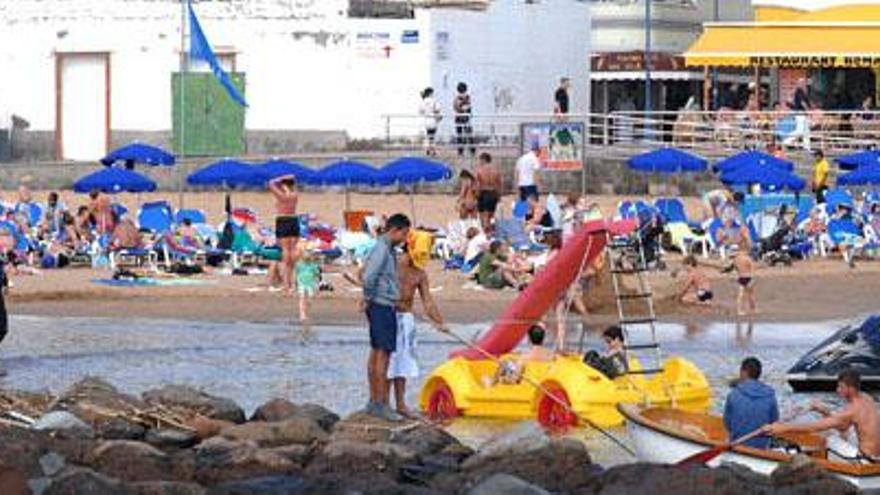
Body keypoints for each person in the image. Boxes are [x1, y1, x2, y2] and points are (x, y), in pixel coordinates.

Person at [387, 231, 446, 418]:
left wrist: (439, 322)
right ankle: (384, 403)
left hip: (406, 319)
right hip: (388, 317)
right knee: (388, 362)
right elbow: (365, 275)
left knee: (403, 363)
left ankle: (401, 404)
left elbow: (428, 301)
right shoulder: (391, 264)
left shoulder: (420, 273)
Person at [764, 369, 880, 462]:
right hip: (876, 457)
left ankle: (830, 468)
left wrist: (784, 428)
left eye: (840, 387)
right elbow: (843, 427)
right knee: (842, 435)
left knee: (829, 439)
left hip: (866, 460)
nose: (837, 390)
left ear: (850, 388)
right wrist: (824, 411)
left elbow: (815, 427)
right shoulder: (866, 398)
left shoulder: (852, 409)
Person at [361, 213, 411, 422]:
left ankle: (375, 401)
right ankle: (380, 403)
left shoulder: (385, 248)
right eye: (405, 233)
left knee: (377, 352)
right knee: (383, 354)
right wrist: (370, 297)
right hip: (381, 305)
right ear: (395, 230)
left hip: (381, 303)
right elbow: (369, 276)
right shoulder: (382, 249)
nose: (405, 238)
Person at [723, 357, 779, 449]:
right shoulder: (770, 395)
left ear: (743, 372)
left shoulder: (733, 394)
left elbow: (727, 423)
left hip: (738, 443)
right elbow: (774, 422)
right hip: (762, 446)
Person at [486, 324, 554, 386]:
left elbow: (514, 379)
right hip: (544, 385)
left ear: (529, 339)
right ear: (543, 339)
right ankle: (492, 381)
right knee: (509, 362)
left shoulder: (525, 358)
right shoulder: (551, 356)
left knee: (505, 363)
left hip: (527, 387)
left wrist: (502, 380)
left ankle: (492, 383)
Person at [268, 175, 299, 295]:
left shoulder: (282, 196)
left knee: (285, 251)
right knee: (293, 251)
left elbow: (270, 182)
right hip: (293, 220)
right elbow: (293, 183)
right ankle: (293, 283)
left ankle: (287, 285)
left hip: (283, 220)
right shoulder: (294, 194)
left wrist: (279, 179)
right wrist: (288, 179)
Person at [475, 152, 502, 232]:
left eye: (480, 160)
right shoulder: (496, 171)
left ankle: (485, 232)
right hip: (493, 193)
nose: (479, 162)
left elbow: (478, 185)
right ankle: (490, 233)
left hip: (483, 193)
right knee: (491, 215)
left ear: (484, 160)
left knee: (482, 216)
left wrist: (477, 195)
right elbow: (499, 184)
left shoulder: (480, 170)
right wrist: (499, 196)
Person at [295, 247, 321, 322]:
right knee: (302, 298)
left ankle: (306, 312)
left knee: (310, 300)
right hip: (301, 283)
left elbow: (317, 275)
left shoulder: (313, 265)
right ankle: (302, 314)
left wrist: (317, 284)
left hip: (310, 284)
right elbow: (296, 273)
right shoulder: (299, 264)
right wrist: (295, 283)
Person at [733, 242, 756, 316]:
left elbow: (735, 269)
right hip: (748, 277)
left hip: (740, 277)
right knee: (751, 295)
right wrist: (753, 279)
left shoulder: (736, 259)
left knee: (740, 295)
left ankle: (739, 311)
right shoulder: (748, 258)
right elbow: (752, 269)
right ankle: (753, 309)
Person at [453, 82, 475, 157]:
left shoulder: (456, 98)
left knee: (460, 135)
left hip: (459, 117)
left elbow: (456, 108)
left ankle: (460, 152)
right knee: (469, 134)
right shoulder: (467, 97)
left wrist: (462, 108)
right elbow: (468, 107)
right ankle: (472, 151)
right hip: (465, 118)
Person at [419, 87, 441, 157]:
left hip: (426, 121)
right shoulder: (433, 101)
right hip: (433, 120)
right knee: (432, 137)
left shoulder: (423, 102)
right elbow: (437, 109)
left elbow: (421, 111)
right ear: (431, 93)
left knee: (427, 137)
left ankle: (427, 150)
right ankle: (433, 151)